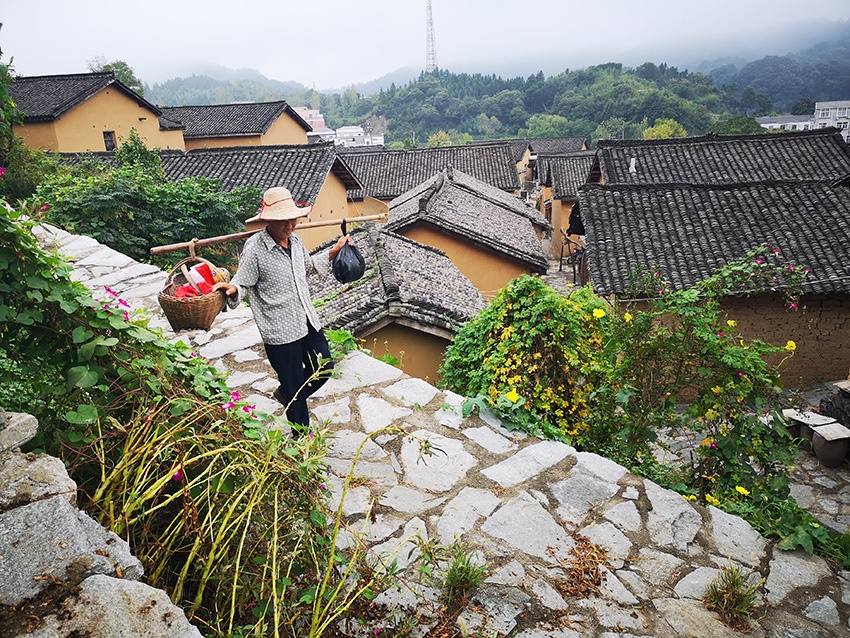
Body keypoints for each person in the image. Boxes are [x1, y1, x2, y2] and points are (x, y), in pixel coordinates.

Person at [213, 186, 351, 434]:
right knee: (294, 383)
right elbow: (242, 281)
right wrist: (233, 290)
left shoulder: (296, 241)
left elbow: (307, 268)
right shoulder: (255, 249)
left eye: (292, 218)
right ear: (268, 220)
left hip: (306, 318)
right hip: (280, 329)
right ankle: (300, 438)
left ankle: (287, 395)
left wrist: (335, 251)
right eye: (282, 220)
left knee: (324, 367)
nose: (289, 225)